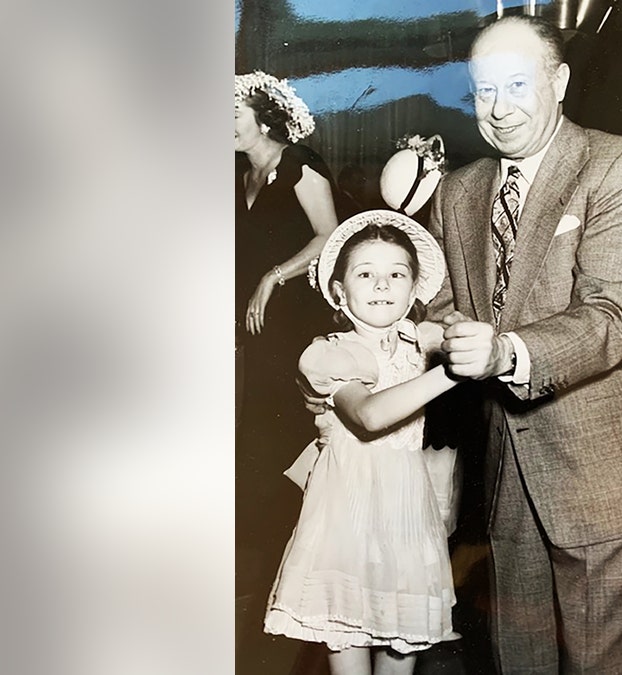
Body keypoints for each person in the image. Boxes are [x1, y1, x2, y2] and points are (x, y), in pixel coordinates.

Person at [428, 15, 622, 672]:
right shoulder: (457, 193)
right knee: (521, 654)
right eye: (483, 90)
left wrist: (503, 352)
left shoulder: (621, 167)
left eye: (517, 84)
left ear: (561, 80)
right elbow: (439, 303)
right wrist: (427, 331)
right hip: (509, 474)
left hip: (615, 467)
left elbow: (610, 317)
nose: (499, 108)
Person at [265, 210, 460, 675]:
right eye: (365, 274)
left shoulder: (422, 341)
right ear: (339, 290)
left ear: (415, 290)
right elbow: (369, 416)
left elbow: (460, 327)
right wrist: (452, 370)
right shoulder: (330, 352)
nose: (381, 285)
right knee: (346, 637)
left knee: (401, 653)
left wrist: (459, 334)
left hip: (408, 517)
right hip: (346, 515)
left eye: (397, 274)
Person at [234, 71, 339, 640]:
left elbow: (330, 234)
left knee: (288, 441)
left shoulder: (300, 165)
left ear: (264, 118)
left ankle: (307, 575)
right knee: (256, 444)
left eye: (233, 114)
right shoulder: (235, 174)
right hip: (254, 328)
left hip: (294, 323)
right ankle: (273, 578)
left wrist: (275, 278)